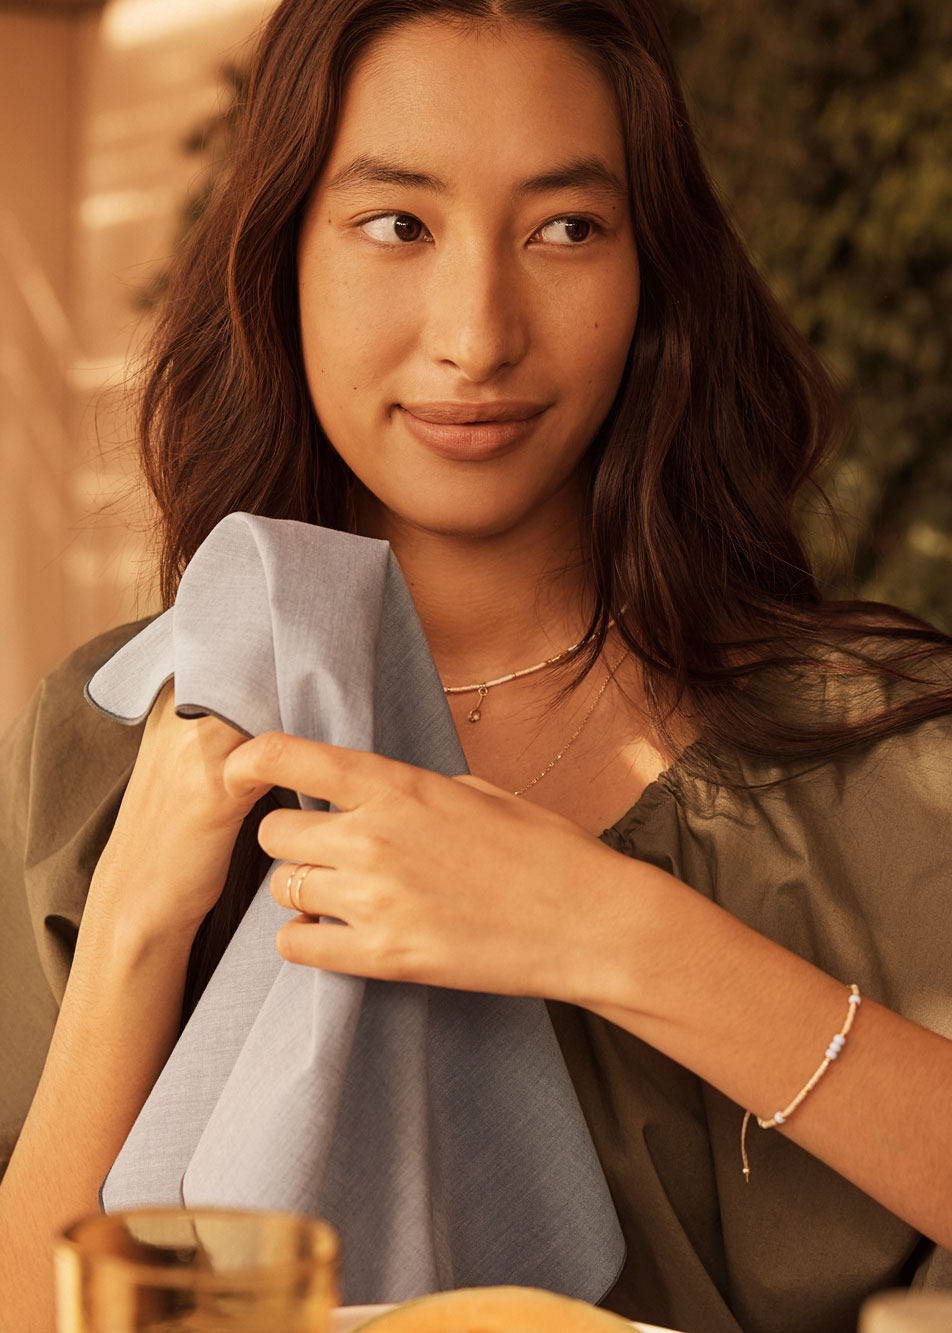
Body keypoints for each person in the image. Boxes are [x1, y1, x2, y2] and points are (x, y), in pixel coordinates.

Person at [1, 1, 951, 1330]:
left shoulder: (886, 762)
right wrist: (134, 937)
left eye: (566, 227)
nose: (476, 334)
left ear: (653, 270)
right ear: (281, 254)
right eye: (396, 223)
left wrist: (607, 930)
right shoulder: (115, 740)